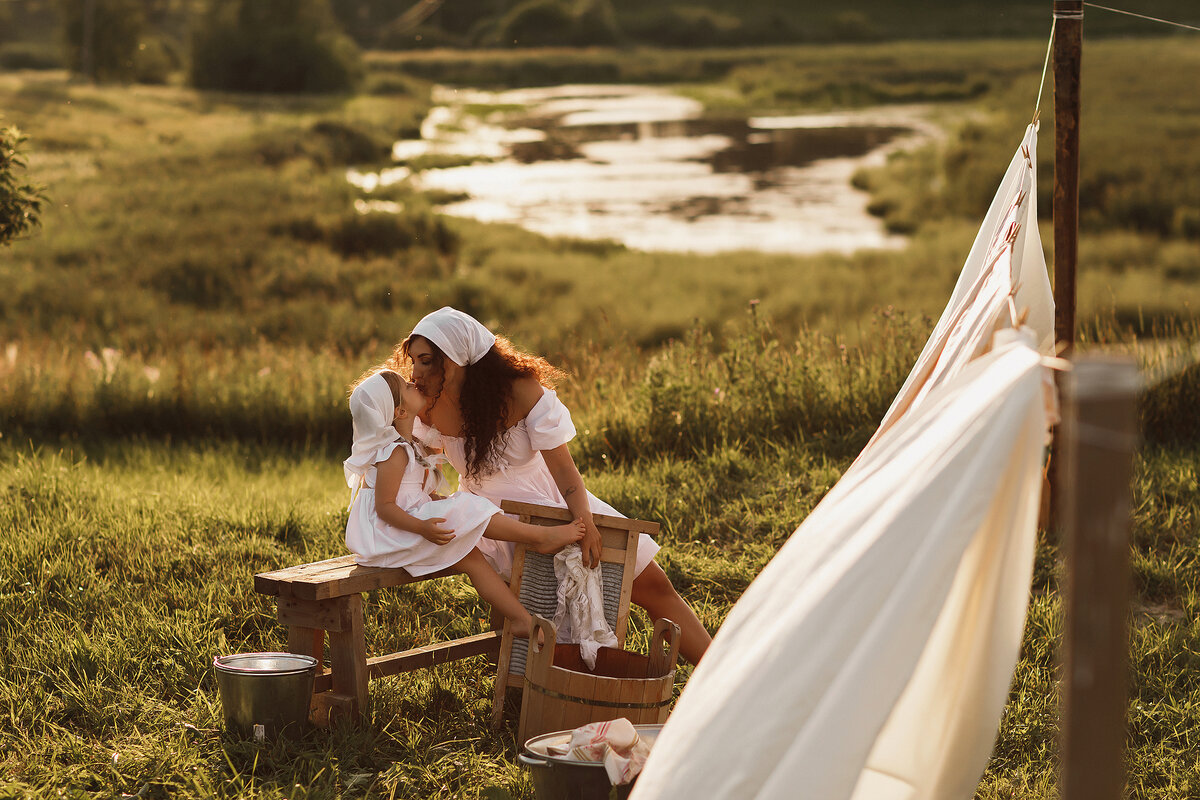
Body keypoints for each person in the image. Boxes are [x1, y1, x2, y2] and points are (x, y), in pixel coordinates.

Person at [386, 307, 713, 664]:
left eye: (428, 361)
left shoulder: (520, 389)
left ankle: (721, 679)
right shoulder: (425, 405)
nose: (416, 372)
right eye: (415, 360)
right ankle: (544, 690)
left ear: (459, 358)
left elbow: (563, 468)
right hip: (493, 520)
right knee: (546, 602)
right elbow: (412, 463)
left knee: (654, 585)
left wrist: (585, 523)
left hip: (553, 500)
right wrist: (426, 503)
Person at [343, 369, 586, 638]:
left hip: (402, 525)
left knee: (470, 549)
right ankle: (540, 537)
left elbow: (407, 498)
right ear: (400, 412)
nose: (413, 383)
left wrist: (437, 503)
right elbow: (385, 507)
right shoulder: (393, 453)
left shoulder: (407, 445)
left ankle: (520, 619)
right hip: (384, 535)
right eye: (407, 387)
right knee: (467, 509)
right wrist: (423, 526)